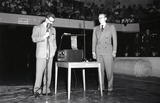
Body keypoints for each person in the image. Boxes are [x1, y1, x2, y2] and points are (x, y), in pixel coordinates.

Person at [31, 12, 57, 98]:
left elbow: (54, 41)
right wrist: (43, 36)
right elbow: (34, 39)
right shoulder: (37, 28)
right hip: (41, 54)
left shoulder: (53, 29)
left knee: (48, 74)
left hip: (50, 55)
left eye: (53, 21)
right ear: (46, 19)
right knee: (39, 74)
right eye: (50, 21)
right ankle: (37, 91)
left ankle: (46, 90)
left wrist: (53, 51)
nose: (52, 23)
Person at [92, 13, 117, 93]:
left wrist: (114, 51)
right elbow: (94, 41)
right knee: (100, 71)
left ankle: (110, 87)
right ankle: (101, 87)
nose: (100, 19)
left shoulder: (111, 27)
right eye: (99, 18)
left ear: (106, 18)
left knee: (109, 71)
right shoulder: (96, 28)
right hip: (99, 51)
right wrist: (93, 52)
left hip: (108, 51)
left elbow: (115, 40)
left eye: (101, 18)